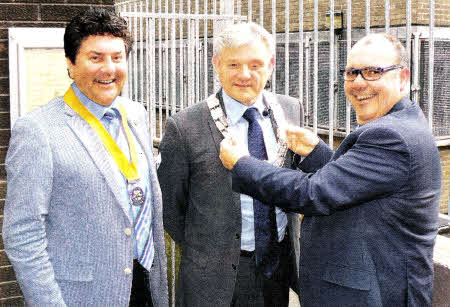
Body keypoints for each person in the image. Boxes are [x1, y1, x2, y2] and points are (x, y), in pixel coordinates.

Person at [220, 33, 442, 307]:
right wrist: (317, 153)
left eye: (374, 72)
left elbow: (314, 192)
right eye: (352, 73)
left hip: (375, 296)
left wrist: (242, 164)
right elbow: (357, 187)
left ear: (403, 77)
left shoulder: (390, 135)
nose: (359, 83)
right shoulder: (402, 123)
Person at [2, 8, 168, 307]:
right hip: (82, 296)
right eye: (96, 58)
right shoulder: (38, 131)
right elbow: (23, 234)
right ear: (70, 63)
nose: (109, 68)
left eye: (117, 57)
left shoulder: (136, 115)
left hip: (144, 285)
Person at [158, 22, 303, 306]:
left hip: (277, 268)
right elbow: (171, 208)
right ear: (217, 63)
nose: (244, 75)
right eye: (234, 64)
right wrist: (209, 249)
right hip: (215, 277)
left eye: (255, 64)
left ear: (271, 65)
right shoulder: (185, 127)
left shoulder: (290, 110)